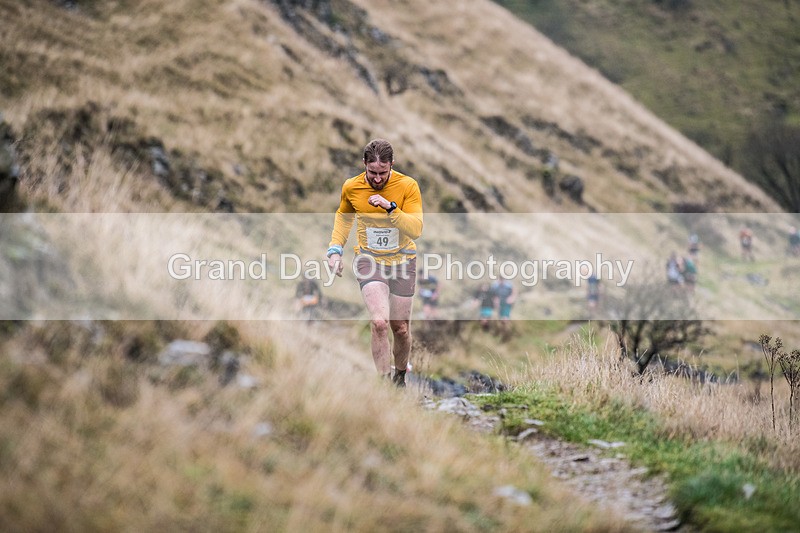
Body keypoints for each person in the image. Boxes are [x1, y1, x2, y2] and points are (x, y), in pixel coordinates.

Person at [326, 139, 423, 387]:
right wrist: (335, 250)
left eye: (383, 173)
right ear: (364, 165)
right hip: (369, 260)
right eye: (372, 173)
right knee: (379, 322)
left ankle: (400, 377)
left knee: (400, 328)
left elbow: (416, 229)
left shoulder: (408, 186)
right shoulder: (352, 187)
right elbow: (343, 217)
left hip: (403, 261)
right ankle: (384, 384)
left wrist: (391, 209)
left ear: (392, 165)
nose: (377, 179)